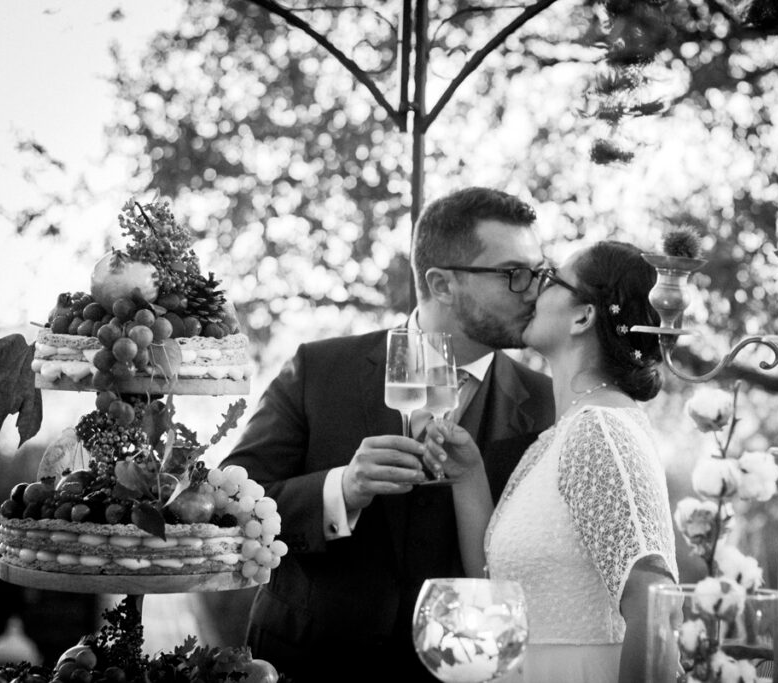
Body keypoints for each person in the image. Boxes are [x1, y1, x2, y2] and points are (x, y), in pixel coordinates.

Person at [219, 187, 555, 681]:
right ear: (441, 284)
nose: (534, 291)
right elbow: (231, 501)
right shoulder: (320, 369)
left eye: (538, 272)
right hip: (306, 663)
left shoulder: (547, 403)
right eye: (513, 274)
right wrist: (342, 490)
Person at [424, 240, 678, 683]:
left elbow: (653, 597)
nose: (532, 292)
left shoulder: (598, 429)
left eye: (550, 279)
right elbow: (497, 580)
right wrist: (468, 475)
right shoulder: (557, 436)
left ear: (583, 316)